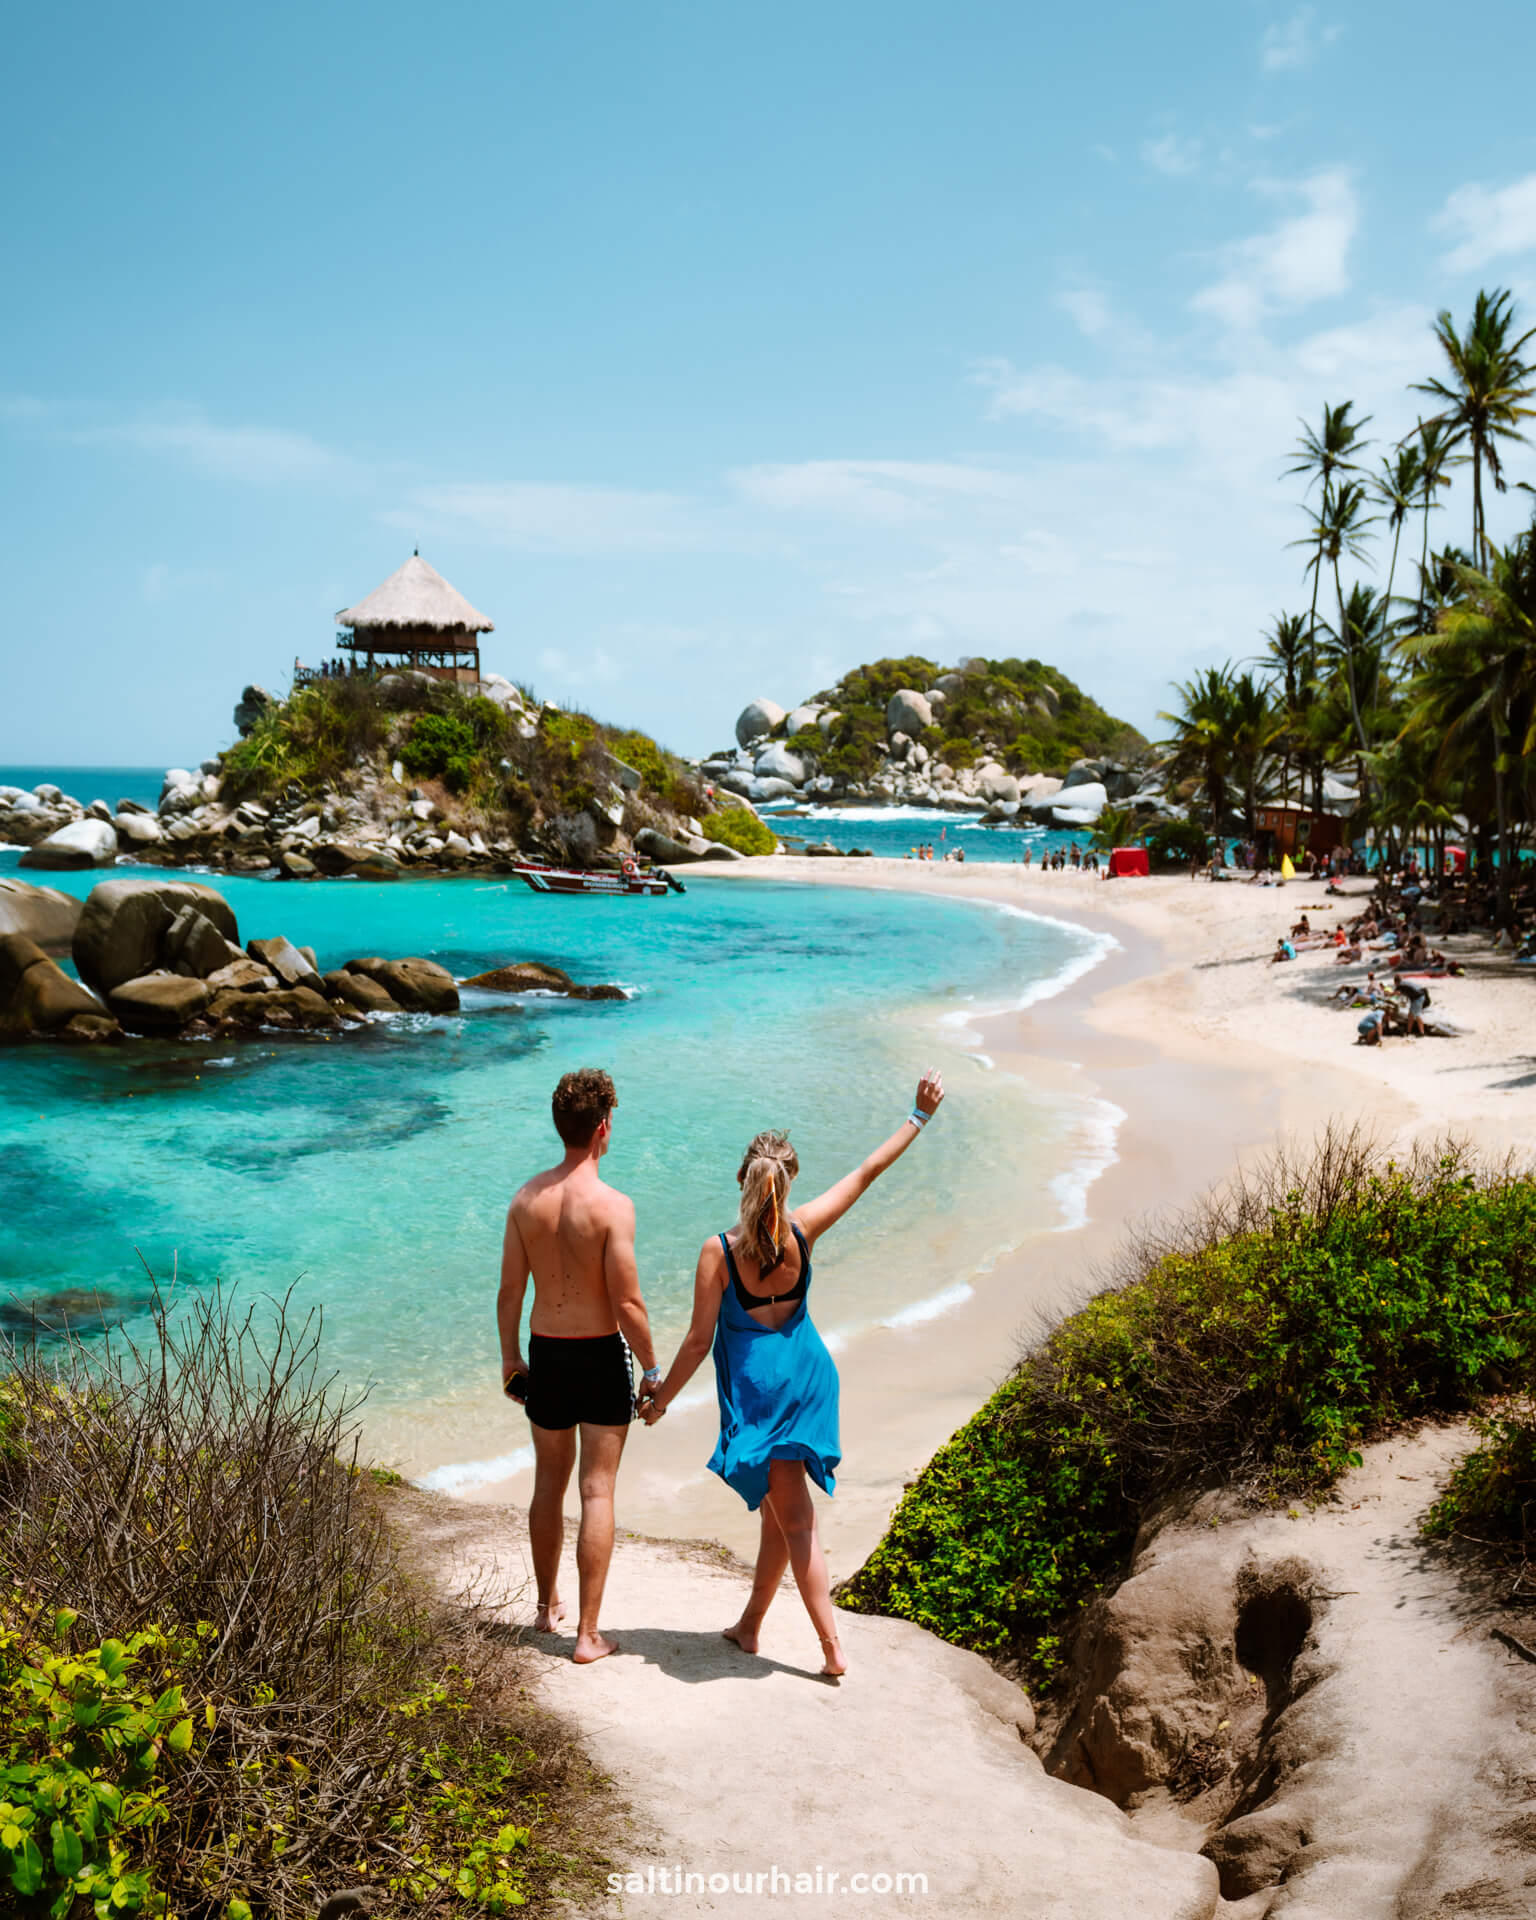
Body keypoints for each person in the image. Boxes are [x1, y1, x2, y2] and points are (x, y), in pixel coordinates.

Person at [643, 1072, 946, 1678]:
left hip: (764, 1393)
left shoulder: (720, 1251)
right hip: (809, 1376)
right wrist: (918, 1116)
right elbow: (866, 1173)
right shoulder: (803, 1231)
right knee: (778, 1510)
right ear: (789, 1181)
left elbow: (700, 1340)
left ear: (742, 1180)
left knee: (795, 1515)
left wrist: (661, 1400)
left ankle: (831, 1647)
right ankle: (751, 1625)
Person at [497, 1068, 662, 1664]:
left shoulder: (525, 1201)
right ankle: (588, 1635)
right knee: (597, 1490)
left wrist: (511, 1358)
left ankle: (546, 1608)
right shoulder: (614, 1207)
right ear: (603, 1129)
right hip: (597, 1354)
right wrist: (651, 1367)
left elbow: (509, 1294)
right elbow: (627, 1303)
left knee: (549, 1482)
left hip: (545, 1350)